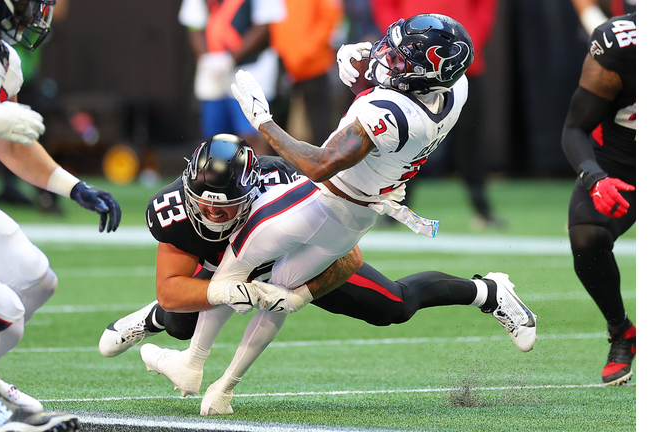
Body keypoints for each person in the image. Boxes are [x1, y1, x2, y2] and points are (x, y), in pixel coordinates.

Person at [133, 14, 535, 415]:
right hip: (357, 215)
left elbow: (322, 164)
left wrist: (264, 122)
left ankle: (193, 363)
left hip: (318, 199)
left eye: (398, 62)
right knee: (282, 299)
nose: (385, 59)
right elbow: (397, 91)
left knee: (239, 274)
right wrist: (360, 64)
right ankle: (221, 387)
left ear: (422, 78)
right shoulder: (454, 88)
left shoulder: (392, 113)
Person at [98, 134, 536, 414]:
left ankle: (488, 290)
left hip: (296, 261)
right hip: (218, 268)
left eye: (224, 206)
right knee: (178, 319)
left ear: (251, 194)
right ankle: (151, 318)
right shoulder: (172, 209)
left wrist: (301, 293)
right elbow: (173, 288)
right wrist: (216, 291)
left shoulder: (284, 185)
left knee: (395, 307)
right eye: (204, 203)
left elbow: (349, 257)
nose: (212, 212)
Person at [0, 1, 121, 430]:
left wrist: (72, 186)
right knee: (3, 314)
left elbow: (10, 142)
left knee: (35, 278)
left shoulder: (3, 57)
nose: (38, 12)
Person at [367, 0, 503, 230]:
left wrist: (466, 46)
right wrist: (405, 45)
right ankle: (394, 209)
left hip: (461, 68)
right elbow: (383, 6)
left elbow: (485, 7)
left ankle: (482, 209)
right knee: (409, 140)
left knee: (469, 141)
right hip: (415, 68)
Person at [560, 12, 635, 385]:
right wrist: (594, 177)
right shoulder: (619, 46)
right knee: (587, 236)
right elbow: (575, 127)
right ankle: (622, 331)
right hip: (622, 164)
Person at [178, 0, 287, 156]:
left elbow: (264, 26)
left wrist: (231, 59)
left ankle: (258, 178)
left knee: (251, 135)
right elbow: (193, 25)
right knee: (215, 138)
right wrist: (207, 59)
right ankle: (221, 179)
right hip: (212, 69)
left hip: (252, 68)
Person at [269, 0, 343, 146]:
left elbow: (329, 19)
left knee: (320, 125)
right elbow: (276, 21)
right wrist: (283, 52)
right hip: (285, 64)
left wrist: (304, 52)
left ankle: (327, 164)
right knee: (278, 123)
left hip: (314, 66)